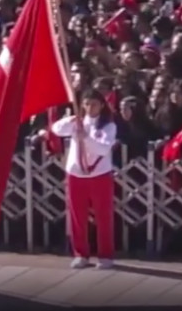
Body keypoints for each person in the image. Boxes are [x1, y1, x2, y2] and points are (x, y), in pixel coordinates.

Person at [51, 93, 117, 269]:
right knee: (77, 216)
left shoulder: (108, 126)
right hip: (76, 174)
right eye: (86, 104)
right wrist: (71, 119)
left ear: (101, 105)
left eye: (94, 104)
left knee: (103, 215)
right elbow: (56, 129)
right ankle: (81, 253)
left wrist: (85, 137)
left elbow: (103, 148)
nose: (90, 108)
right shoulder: (77, 122)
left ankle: (106, 255)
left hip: (100, 174)